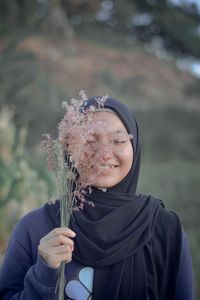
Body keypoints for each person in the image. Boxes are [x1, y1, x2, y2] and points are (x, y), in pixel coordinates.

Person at [0, 97, 195, 300]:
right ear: (70, 151)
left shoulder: (164, 228)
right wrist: (44, 273)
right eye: (89, 142)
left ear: (135, 147)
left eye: (118, 141)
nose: (103, 154)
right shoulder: (36, 228)